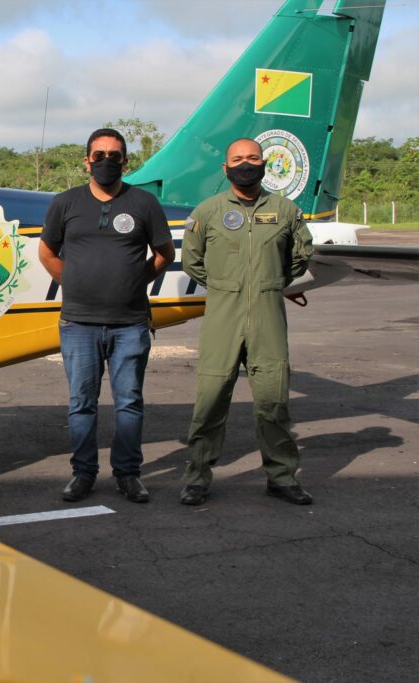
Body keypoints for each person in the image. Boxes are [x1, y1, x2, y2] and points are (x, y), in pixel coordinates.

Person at [39, 128, 175, 504]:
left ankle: (128, 474)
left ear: (125, 161)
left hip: (130, 323)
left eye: (114, 156)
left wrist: (135, 280)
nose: (106, 162)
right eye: (98, 155)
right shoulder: (65, 203)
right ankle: (83, 474)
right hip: (78, 324)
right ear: (87, 161)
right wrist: (74, 282)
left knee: (129, 401)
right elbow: (47, 253)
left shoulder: (144, 203)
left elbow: (165, 255)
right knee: (81, 402)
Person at [179, 138, 314, 506]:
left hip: (268, 315)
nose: (245, 164)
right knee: (210, 401)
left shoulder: (286, 211)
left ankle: (281, 476)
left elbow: (300, 256)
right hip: (223, 315)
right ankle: (197, 478)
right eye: (237, 159)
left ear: (264, 163)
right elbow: (193, 261)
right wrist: (227, 286)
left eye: (253, 158)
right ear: (225, 169)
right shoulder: (207, 212)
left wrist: (269, 283)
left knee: (273, 402)